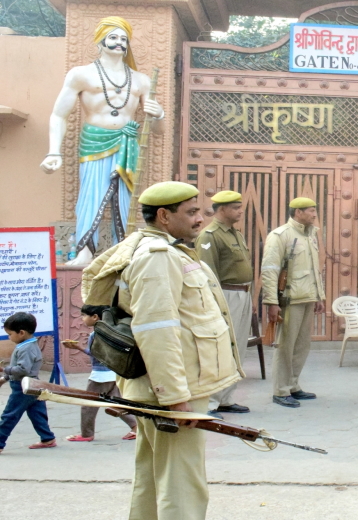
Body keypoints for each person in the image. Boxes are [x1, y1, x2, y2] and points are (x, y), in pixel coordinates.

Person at [82, 181, 244, 520]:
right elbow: (157, 330)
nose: (200, 218)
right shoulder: (158, 257)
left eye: (199, 211)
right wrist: (175, 398)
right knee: (182, 484)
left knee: (154, 476)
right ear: (164, 216)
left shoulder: (162, 249)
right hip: (172, 389)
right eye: (191, 212)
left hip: (161, 386)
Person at [41, 16, 165, 265]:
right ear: (100, 41)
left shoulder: (140, 80)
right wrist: (53, 151)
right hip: (94, 142)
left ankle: (125, 251)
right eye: (113, 37)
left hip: (127, 144)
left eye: (123, 38)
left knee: (126, 200)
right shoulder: (81, 75)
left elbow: (158, 130)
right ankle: (85, 253)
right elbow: (58, 115)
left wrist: (159, 114)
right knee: (91, 196)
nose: (119, 42)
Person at [261, 197, 326, 408]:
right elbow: (270, 270)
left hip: (307, 297)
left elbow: (315, 270)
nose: (314, 214)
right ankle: (280, 390)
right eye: (311, 210)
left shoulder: (310, 234)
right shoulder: (280, 235)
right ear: (298, 212)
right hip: (290, 299)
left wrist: (319, 296)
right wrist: (271, 302)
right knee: (285, 347)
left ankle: (293, 385)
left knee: (301, 346)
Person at [195, 190, 253, 419]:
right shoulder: (209, 235)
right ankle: (210, 402)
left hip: (242, 294)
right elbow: (207, 274)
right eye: (236, 208)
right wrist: (213, 305)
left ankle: (226, 398)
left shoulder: (235, 234)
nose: (240, 211)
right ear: (221, 209)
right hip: (225, 295)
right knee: (220, 349)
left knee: (237, 348)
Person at [62, 304, 137, 441]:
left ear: (95, 317)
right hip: (113, 373)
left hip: (100, 375)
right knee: (116, 403)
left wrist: (77, 347)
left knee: (88, 405)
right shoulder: (111, 331)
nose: (82, 319)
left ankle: (86, 434)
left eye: (84, 315)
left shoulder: (95, 334)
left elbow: (96, 354)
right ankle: (135, 426)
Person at [0, 312, 57, 454]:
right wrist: (5, 378)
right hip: (32, 384)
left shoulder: (26, 348)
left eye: (10, 334)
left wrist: (4, 369)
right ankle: (47, 438)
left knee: (10, 415)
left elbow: (22, 369)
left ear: (21, 333)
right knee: (37, 413)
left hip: (23, 387)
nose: (9, 337)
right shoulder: (27, 345)